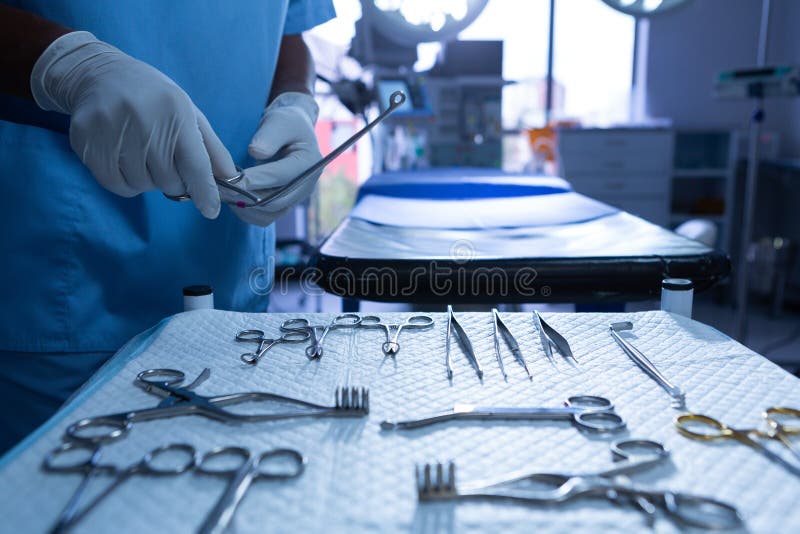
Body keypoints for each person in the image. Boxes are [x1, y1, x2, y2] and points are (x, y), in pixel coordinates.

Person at [0, 0, 335, 453]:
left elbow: (289, 32)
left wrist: (295, 102)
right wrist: (65, 64)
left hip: (228, 274)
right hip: (61, 293)